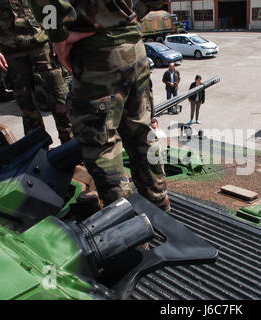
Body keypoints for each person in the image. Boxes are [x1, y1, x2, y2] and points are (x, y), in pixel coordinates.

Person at [28, 0, 170, 211]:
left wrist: (58, 36)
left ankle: (131, 226)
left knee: (101, 145)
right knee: (142, 135)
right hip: (135, 48)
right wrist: (132, 14)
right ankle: (161, 209)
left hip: (96, 53)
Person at [0, 0, 72, 144]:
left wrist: (55, 35)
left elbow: (48, 4)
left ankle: (71, 147)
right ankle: (38, 151)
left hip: (42, 40)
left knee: (61, 97)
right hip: (9, 45)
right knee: (26, 105)